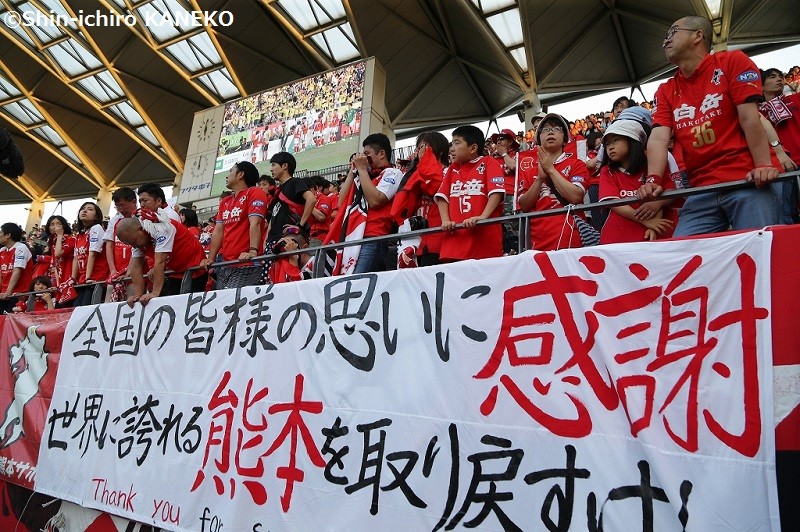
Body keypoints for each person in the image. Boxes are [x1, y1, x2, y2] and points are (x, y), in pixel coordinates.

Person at [639, 15, 780, 235]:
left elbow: (749, 118)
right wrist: (653, 179)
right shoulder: (665, 90)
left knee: (757, 246)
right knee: (682, 252)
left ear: (697, 36)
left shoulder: (732, 61)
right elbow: (658, 137)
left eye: (673, 32)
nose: (666, 40)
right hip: (701, 189)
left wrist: (763, 164)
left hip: (748, 179)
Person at [333, 134, 404, 273]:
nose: (364, 159)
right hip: (352, 236)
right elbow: (341, 202)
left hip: (373, 237)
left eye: (367, 154)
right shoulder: (365, 177)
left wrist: (362, 170)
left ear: (381, 154)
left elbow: (375, 201)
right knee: (346, 281)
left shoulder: (393, 173)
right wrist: (353, 171)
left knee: (357, 281)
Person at [517, 114, 588, 251]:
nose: (550, 132)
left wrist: (550, 170)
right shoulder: (529, 172)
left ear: (565, 140)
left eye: (556, 129)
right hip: (537, 241)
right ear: (538, 141)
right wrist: (539, 179)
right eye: (545, 129)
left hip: (570, 237)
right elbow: (524, 206)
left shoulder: (577, 164)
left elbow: (576, 196)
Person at [599, 120, 676, 244]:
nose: (610, 147)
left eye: (616, 140)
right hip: (619, 237)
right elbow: (613, 203)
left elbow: (671, 191)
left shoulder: (654, 163)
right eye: (607, 144)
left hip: (660, 230)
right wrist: (645, 221)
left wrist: (657, 204)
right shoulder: (607, 171)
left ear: (632, 140)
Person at [435, 125, 504, 262]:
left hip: (483, 242)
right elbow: (442, 197)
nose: (451, 148)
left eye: (457, 143)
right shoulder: (452, 168)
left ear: (473, 148)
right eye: (452, 143)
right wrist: (445, 220)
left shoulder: (489, 162)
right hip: (455, 242)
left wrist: (482, 217)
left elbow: (496, 193)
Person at [200, 161, 268, 289]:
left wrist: (252, 251)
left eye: (231, 171)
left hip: (247, 264)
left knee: (233, 300)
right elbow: (218, 231)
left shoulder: (254, 192)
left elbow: (256, 223)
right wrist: (211, 258)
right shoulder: (225, 201)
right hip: (225, 264)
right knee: (223, 300)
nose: (227, 176)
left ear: (240, 174)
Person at [116, 210, 207, 306]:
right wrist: (138, 294)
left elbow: (160, 261)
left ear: (140, 229)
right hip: (175, 271)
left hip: (195, 268)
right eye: (130, 244)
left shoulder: (161, 228)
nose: (134, 246)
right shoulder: (137, 241)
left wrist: (155, 293)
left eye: (134, 241)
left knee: (191, 306)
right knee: (174, 305)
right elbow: (136, 266)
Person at [390, 131, 449, 267]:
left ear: (440, 151)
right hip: (414, 240)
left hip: (438, 239)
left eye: (425, 146)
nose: (420, 151)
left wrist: (427, 162)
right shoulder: (415, 174)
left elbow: (433, 187)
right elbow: (400, 208)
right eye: (418, 147)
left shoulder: (449, 172)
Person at [760, 67, 800, 223]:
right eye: (772, 77)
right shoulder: (756, 112)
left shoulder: (795, 99)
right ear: (761, 86)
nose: (778, 79)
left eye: (780, 76)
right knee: (786, 218)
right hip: (781, 169)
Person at [265, 152, 316, 245]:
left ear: (284, 166)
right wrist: (266, 240)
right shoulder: (278, 191)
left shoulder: (295, 182)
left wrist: (300, 225)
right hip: (272, 241)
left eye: (274, 165)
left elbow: (311, 200)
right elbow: (273, 216)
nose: (271, 169)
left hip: (289, 238)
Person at [71, 202, 109, 306]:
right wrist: (73, 278)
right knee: (76, 309)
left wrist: (87, 277)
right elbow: (76, 258)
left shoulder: (97, 228)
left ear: (96, 216)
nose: (84, 211)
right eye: (83, 208)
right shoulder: (79, 235)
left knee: (86, 308)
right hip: (82, 280)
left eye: (90, 209)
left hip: (95, 278)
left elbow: (92, 254)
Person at [104, 187, 137, 280]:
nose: (120, 209)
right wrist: (113, 270)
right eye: (117, 206)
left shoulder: (140, 219)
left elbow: (138, 249)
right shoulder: (115, 220)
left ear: (133, 202)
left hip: (135, 272)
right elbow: (109, 245)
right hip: (117, 272)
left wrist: (129, 270)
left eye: (122, 205)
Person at [0, 223, 32, 313]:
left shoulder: (21, 248)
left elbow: (17, 272)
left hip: (18, 294)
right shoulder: (2, 250)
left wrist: (8, 292)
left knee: (9, 320)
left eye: (0, 232)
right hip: (4, 294)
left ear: (8, 235)